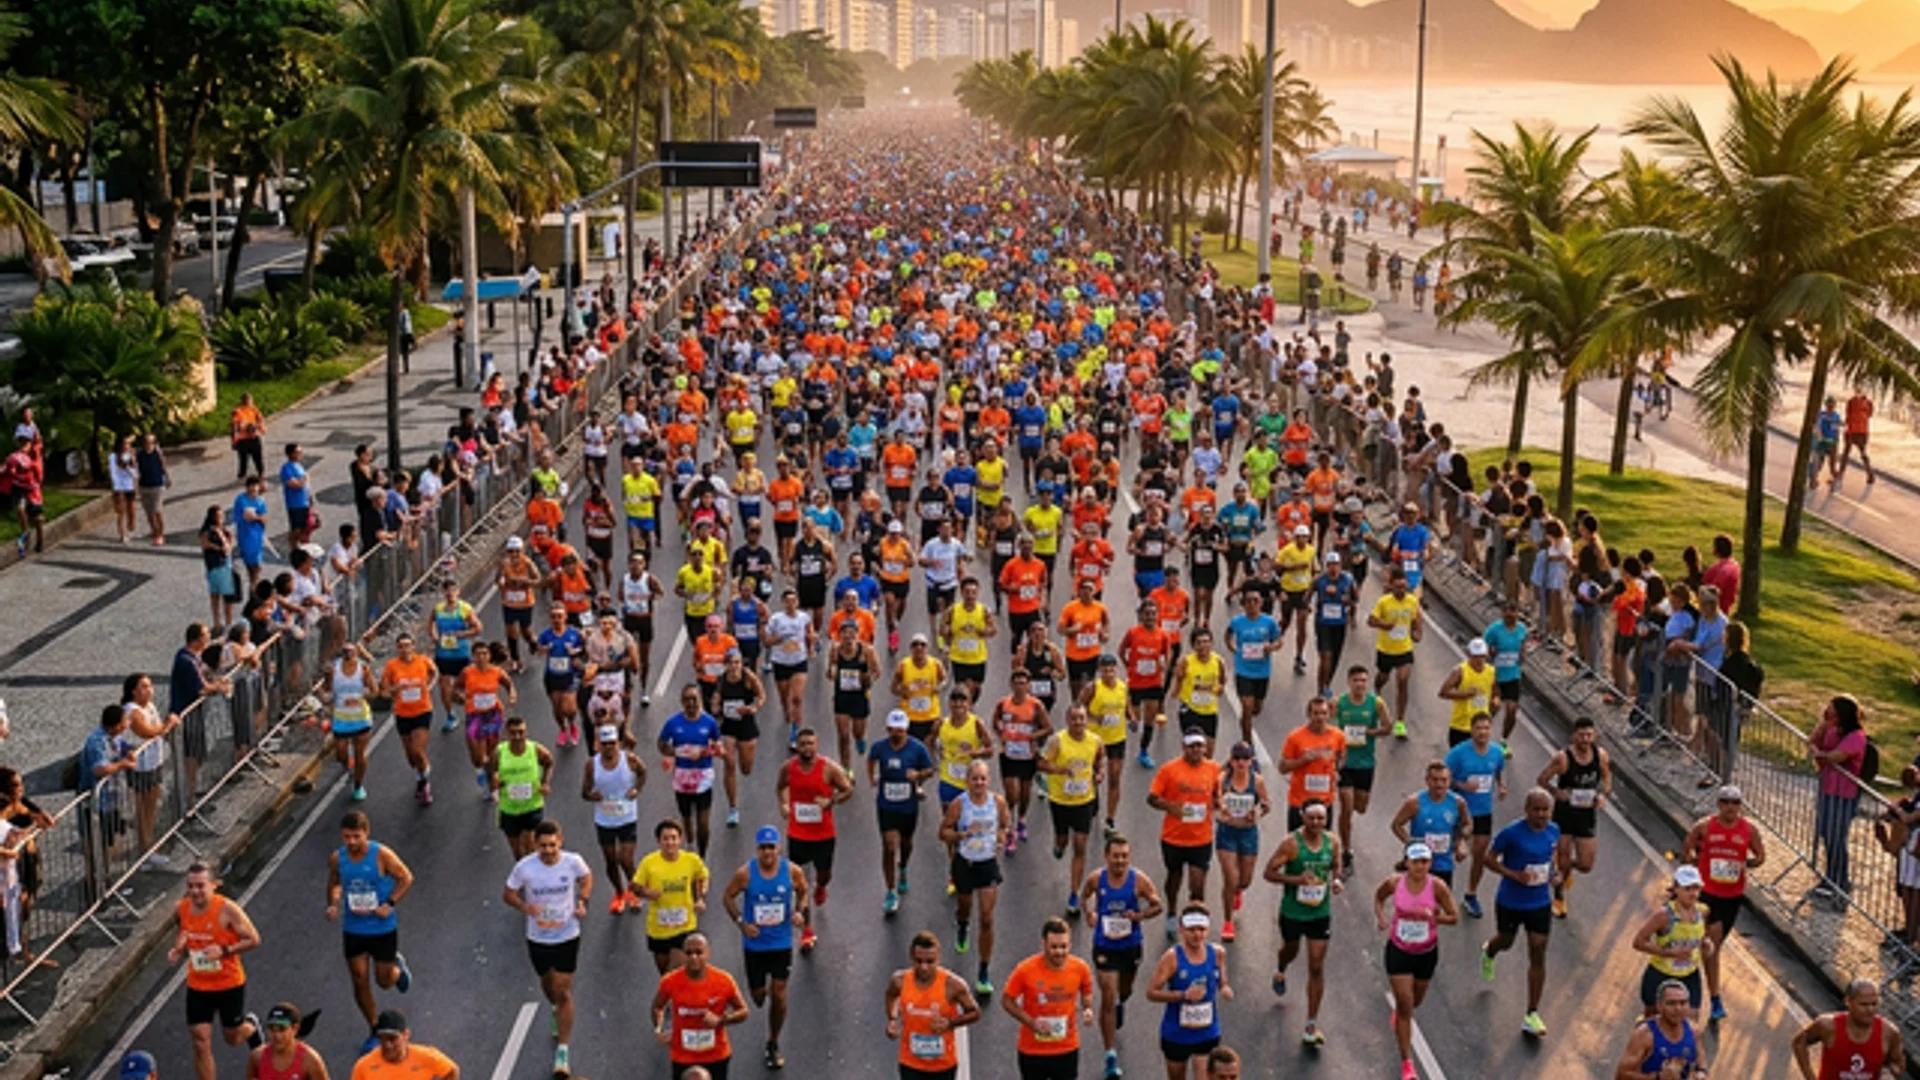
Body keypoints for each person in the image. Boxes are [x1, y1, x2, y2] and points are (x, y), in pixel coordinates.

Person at [501, 819, 592, 1077]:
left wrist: (582, 901)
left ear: (560, 841)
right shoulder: (525, 868)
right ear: (535, 845)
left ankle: (562, 1051)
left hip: (567, 934)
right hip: (538, 937)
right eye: (543, 846)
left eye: (552, 845)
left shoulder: (573, 862)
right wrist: (525, 907)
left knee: (563, 990)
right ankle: (555, 1007)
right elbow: (507, 894)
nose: (549, 851)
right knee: (548, 985)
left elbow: (586, 878)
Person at [720, 826, 809, 1070]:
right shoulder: (745, 874)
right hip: (755, 945)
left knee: (779, 993)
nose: (767, 852)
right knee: (759, 998)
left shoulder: (791, 871)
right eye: (763, 848)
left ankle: (773, 1041)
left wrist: (799, 912)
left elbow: (803, 891)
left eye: (772, 847)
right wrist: (741, 923)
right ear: (757, 849)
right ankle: (765, 990)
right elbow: (727, 897)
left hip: (781, 942)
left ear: (778, 848)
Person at [325, 811, 415, 1049]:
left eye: (356, 836)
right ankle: (374, 1028)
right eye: (347, 837)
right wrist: (333, 904)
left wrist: (390, 903)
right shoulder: (338, 858)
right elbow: (334, 883)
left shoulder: (381, 855)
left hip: (382, 927)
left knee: (384, 981)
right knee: (359, 979)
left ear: (367, 833)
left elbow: (405, 877)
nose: (352, 842)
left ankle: (397, 969)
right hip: (354, 928)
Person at [1080, 832, 1165, 1079]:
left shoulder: (1139, 881)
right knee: (1107, 993)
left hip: (1130, 946)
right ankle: (1110, 1055)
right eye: (1116, 856)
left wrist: (1139, 916)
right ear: (1107, 856)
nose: (1120, 861)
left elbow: (1157, 905)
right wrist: (1089, 914)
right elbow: (1084, 897)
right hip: (1105, 946)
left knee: (1124, 990)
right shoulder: (1097, 879)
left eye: (1125, 857)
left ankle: (1121, 1002)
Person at [1479, 788, 1562, 1038]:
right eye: (1536, 810)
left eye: (1545, 810)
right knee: (1506, 940)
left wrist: (1554, 875)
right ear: (1526, 810)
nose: (1541, 815)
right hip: (1511, 901)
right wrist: (1514, 875)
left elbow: (1551, 859)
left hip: (1539, 902)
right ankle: (1489, 951)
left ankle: (1532, 1013)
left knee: (1538, 950)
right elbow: (1488, 859)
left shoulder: (1553, 831)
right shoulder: (1511, 834)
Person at [168, 863, 263, 1080]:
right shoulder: (181, 908)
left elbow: (254, 940)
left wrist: (224, 950)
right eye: (190, 886)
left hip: (228, 983)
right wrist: (178, 949)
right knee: (200, 1041)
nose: (195, 892)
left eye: (200, 886)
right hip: (198, 984)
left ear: (214, 885)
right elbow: (184, 930)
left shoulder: (227, 909)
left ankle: (251, 1028)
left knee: (232, 1037)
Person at [1681, 785, 1765, 1022]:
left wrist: (1744, 864)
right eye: (1726, 802)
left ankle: (1696, 980)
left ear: (1741, 806)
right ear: (1718, 804)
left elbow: (1760, 856)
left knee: (1710, 946)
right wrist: (1692, 865)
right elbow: (1687, 846)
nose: (1730, 807)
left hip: (1731, 896)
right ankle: (1713, 996)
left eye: (1735, 802)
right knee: (1709, 942)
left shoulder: (1749, 830)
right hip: (1706, 892)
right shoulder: (1705, 826)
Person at [1375, 842, 1458, 1080]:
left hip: (1426, 953)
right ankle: (1407, 1065)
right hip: (1399, 951)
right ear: (1407, 863)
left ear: (1430, 863)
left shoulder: (1437, 886)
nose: (1421, 866)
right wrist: (1381, 917)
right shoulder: (1395, 883)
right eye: (1416, 861)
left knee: (1415, 1001)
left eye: (1425, 861)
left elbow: (1454, 917)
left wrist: (1433, 918)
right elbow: (1379, 898)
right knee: (1405, 1006)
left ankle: (1403, 1012)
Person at [1262, 800, 1340, 1045]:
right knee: (1290, 950)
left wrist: (1336, 880)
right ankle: (1281, 968)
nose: (1316, 823)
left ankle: (1310, 1023)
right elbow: (1269, 873)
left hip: (1320, 912)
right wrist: (1296, 880)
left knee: (1316, 966)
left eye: (1321, 818)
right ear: (1302, 818)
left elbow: (1336, 866)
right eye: (1311, 818)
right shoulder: (1291, 844)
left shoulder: (1332, 841)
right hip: (1293, 912)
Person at [777, 727, 854, 948]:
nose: (807, 748)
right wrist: (783, 804)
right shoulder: (788, 768)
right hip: (797, 833)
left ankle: (821, 886)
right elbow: (781, 787)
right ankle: (807, 931)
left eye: (811, 743)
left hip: (823, 834)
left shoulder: (828, 768)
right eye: (803, 744)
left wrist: (831, 802)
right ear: (797, 747)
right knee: (799, 884)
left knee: (824, 875)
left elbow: (848, 789)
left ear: (816, 745)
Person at [940, 759, 1011, 995]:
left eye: (983, 778)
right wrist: (961, 835)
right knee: (965, 906)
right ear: (967, 781)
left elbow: (1005, 824)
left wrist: (1002, 837)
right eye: (975, 778)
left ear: (988, 780)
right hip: (965, 863)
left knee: (988, 918)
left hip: (988, 864)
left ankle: (983, 970)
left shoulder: (997, 802)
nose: (979, 782)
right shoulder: (959, 804)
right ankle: (962, 925)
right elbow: (943, 832)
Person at [1000, 917, 1096, 1080]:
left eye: (1064, 946)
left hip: (1066, 1047)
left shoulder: (1080, 968)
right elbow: (1007, 1000)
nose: (1059, 952)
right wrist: (1031, 1022)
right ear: (1043, 944)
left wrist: (1087, 1008)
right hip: (1032, 1050)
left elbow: (1086, 990)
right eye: (1054, 947)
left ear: (1070, 945)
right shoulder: (1025, 970)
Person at [1148, 730, 1220, 940]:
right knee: (1174, 877)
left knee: (1198, 885)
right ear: (1184, 747)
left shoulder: (1214, 769)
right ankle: (1171, 911)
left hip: (1201, 838)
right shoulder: (1169, 770)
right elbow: (1152, 798)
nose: (1196, 750)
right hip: (1173, 837)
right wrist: (1171, 807)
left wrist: (1220, 805)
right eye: (1191, 746)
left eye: (1199, 745)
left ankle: (1195, 923)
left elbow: (1218, 796)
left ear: (1205, 748)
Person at [886, 929, 984, 1080]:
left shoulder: (953, 985)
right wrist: (892, 1019)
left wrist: (950, 1023)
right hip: (910, 1062)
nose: (924, 967)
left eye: (930, 961)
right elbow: (891, 995)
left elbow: (975, 1013)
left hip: (942, 1065)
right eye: (918, 961)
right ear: (911, 958)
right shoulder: (900, 981)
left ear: (938, 959)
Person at [1147, 903, 1231, 1079]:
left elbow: (1222, 979)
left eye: (1201, 929)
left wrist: (1224, 988)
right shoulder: (1172, 957)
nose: (1197, 934)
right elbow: (1152, 992)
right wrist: (1183, 995)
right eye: (1191, 929)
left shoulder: (1217, 953)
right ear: (1181, 930)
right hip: (1177, 1033)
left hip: (1207, 1030)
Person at [1538, 716, 1610, 919]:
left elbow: (1606, 777)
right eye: (1581, 735)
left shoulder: (1601, 755)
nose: (1586, 739)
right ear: (1574, 736)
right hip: (1564, 814)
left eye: (1589, 735)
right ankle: (1559, 897)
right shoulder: (1563, 758)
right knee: (1563, 855)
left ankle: (1563, 869)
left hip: (1587, 814)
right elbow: (1542, 779)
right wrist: (1556, 792)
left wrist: (1603, 795)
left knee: (1586, 864)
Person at [651, 933, 750, 1080]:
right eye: (689, 953)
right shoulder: (670, 981)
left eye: (699, 952)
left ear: (708, 953)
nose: (693, 957)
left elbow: (743, 1011)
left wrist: (721, 1020)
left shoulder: (723, 980)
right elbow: (657, 1007)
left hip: (715, 1054)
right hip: (683, 1055)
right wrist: (660, 1027)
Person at [868, 709, 935, 915]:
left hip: (908, 806)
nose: (897, 734)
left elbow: (930, 769)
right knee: (889, 846)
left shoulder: (917, 748)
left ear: (906, 730)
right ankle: (890, 890)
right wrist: (872, 777)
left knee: (906, 843)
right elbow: (871, 758)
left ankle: (903, 867)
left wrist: (918, 775)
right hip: (886, 806)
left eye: (901, 731)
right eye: (893, 731)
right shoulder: (880, 747)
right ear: (888, 730)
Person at [1444, 712, 1507, 917]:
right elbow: (1442, 779)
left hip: (1483, 810)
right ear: (1471, 730)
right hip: (1459, 810)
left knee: (1479, 853)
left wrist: (1501, 786)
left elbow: (1497, 771)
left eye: (1486, 728)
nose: (1483, 732)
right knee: (1450, 854)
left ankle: (1471, 893)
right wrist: (1462, 785)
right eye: (1479, 728)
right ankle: (1441, 890)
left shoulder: (1497, 752)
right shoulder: (1458, 754)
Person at [1632, 866, 1713, 1021]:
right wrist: (1669, 953)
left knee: (1691, 1023)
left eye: (1696, 888)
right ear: (1676, 888)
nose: (1693, 893)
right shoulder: (1664, 915)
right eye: (1687, 888)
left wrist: (1707, 946)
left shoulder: (1702, 912)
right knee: (1653, 1022)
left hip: (1689, 975)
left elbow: (1702, 939)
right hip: (1661, 974)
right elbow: (1638, 942)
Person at [1810, 695, 1868, 905]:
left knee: (1837, 835)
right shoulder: (1832, 728)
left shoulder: (1856, 736)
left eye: (1832, 710)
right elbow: (1813, 740)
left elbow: (1834, 757)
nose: (1829, 712)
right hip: (1828, 789)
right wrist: (1823, 722)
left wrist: (1819, 754)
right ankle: (1829, 875)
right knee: (1826, 832)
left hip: (1845, 794)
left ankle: (1840, 879)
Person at [1213, 742, 1270, 942]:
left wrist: (1257, 812)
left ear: (1250, 761)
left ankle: (1238, 891)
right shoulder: (1223, 779)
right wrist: (1221, 809)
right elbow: (1214, 801)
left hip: (1248, 833)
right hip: (1227, 832)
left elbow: (1266, 804)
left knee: (1244, 881)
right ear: (1231, 760)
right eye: (1237, 758)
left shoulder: (1257, 781)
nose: (1240, 763)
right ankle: (1227, 922)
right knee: (1230, 877)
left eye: (1245, 758)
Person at [1790, 978, 1903, 1080]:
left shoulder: (1889, 1032)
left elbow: (1898, 1064)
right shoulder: (1827, 1025)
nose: (1870, 1009)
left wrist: (1890, 1073)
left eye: (1874, 1004)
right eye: (1863, 1004)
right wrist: (1810, 1077)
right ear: (1848, 1002)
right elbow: (1799, 1043)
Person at [659, 685, 724, 857]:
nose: (691, 703)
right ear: (682, 701)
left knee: (703, 823)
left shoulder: (709, 722)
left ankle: (702, 855)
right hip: (682, 778)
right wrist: (672, 753)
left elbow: (719, 748)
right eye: (687, 699)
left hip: (703, 778)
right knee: (686, 818)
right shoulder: (673, 723)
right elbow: (661, 744)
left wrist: (703, 752)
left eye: (695, 699)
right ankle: (690, 844)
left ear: (700, 699)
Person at [1391, 760, 1471, 890]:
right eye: (1435, 780)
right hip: (1418, 864)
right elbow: (1396, 825)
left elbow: (1467, 824)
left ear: (1450, 781)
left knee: (1441, 904)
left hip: (1444, 864)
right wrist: (1411, 843)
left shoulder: (1458, 802)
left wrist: (1462, 841)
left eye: (1444, 780)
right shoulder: (1414, 802)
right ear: (1427, 780)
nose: (1439, 784)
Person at [378, 633, 438, 805]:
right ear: (397, 648)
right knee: (411, 757)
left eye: (408, 645)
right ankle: (420, 776)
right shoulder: (391, 666)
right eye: (401, 646)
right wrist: (397, 688)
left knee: (418, 750)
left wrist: (428, 686)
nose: (405, 649)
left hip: (422, 711)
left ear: (413, 646)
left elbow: (434, 672)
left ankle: (424, 783)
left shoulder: (423, 661)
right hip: (403, 713)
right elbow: (384, 690)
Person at [1615, 978, 1710, 1080]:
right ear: (1659, 1006)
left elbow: (1700, 1056)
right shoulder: (1645, 1034)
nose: (1678, 1008)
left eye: (1683, 1003)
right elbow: (1622, 1075)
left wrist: (1702, 1072)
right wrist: (1658, 1077)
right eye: (1671, 1003)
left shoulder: (1693, 1030)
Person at [489, 716, 554, 861]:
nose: (518, 736)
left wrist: (545, 783)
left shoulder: (535, 748)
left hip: (532, 805)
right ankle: (524, 875)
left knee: (529, 846)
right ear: (507, 733)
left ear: (526, 731)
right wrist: (495, 786)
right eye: (513, 733)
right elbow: (491, 770)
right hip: (509, 808)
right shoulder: (500, 752)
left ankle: (534, 879)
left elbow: (549, 762)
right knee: (517, 852)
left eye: (521, 732)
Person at [1367, 569, 1421, 737]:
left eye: (1404, 587)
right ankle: (1377, 687)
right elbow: (1371, 621)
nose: (1401, 590)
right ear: (1392, 587)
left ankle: (1399, 721)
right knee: (1383, 676)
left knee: (1403, 680)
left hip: (1404, 649)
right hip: (1385, 648)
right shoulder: (1384, 602)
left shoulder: (1412, 602)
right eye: (1398, 587)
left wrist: (1417, 633)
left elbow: (1417, 619)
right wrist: (1384, 625)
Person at [1279, 697, 1345, 833]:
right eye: (1316, 713)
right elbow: (1282, 767)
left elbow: (1341, 757)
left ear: (1329, 714)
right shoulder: (1295, 737)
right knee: (1296, 847)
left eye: (1323, 713)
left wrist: (1337, 771)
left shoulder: (1338, 736)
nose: (1320, 717)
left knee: (1323, 847)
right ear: (1308, 714)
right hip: (1300, 802)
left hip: (1324, 801)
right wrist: (1302, 760)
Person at [1223, 590, 1280, 744]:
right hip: (1243, 670)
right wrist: (1232, 648)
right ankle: (1247, 744)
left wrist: (1271, 647)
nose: (1252, 604)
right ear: (1243, 604)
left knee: (1256, 709)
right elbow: (1227, 635)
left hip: (1262, 672)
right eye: (1248, 601)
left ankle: (1245, 721)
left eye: (1255, 601)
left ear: (1261, 603)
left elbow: (1279, 641)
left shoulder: (1269, 622)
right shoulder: (1237, 621)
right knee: (1247, 706)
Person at [349, 1010, 458, 1080]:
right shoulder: (364, 1066)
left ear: (406, 1035)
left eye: (392, 1038)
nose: (387, 1045)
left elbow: (451, 1071)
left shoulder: (426, 1056)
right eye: (382, 1039)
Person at [1482, 602, 1529, 741]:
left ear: (1518, 613)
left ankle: (1504, 740)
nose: (1510, 614)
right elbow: (1482, 646)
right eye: (1506, 611)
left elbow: (1523, 643)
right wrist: (1490, 653)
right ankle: (1480, 734)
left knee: (1511, 711)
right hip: (1495, 676)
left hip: (1513, 675)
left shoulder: (1522, 629)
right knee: (1493, 709)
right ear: (1502, 613)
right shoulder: (1494, 629)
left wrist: (1523, 654)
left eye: (1513, 610)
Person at [246, 1001, 329, 1080]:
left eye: (282, 1029)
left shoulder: (310, 1061)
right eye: (272, 1029)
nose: (277, 1035)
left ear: (295, 1029)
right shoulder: (256, 1057)